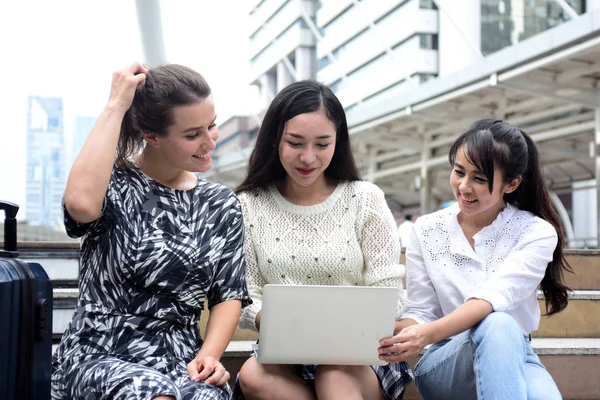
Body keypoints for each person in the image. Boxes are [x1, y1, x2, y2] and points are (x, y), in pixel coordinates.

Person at [51, 63, 251, 400]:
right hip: (102, 350)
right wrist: (116, 105)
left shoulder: (221, 203)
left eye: (211, 127)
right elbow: (81, 206)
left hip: (182, 356)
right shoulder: (111, 183)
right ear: (152, 136)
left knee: (206, 396)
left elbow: (227, 293)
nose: (209, 142)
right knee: (152, 392)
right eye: (192, 135)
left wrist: (210, 355)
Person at [233, 80, 412, 400]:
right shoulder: (249, 204)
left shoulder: (366, 199)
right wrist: (279, 323)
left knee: (333, 377)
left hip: (359, 356)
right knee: (253, 376)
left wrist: (352, 329)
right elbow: (247, 294)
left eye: (322, 143)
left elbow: (389, 291)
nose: (308, 157)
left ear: (338, 141)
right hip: (283, 353)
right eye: (296, 142)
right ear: (275, 140)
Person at [379, 119, 571, 400]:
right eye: (459, 172)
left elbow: (492, 298)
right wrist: (393, 332)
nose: (464, 187)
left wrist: (425, 334)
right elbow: (421, 311)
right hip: (444, 362)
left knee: (500, 326)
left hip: (517, 352)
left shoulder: (536, 232)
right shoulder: (427, 229)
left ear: (512, 184)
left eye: (479, 179)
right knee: (499, 323)